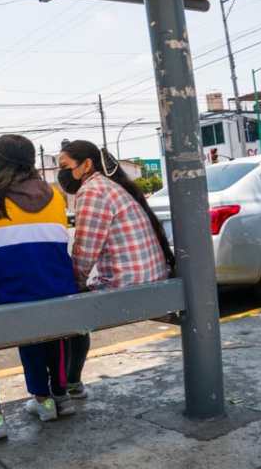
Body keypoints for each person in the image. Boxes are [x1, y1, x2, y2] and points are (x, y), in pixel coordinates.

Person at [0, 134, 78, 439]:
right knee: (32, 327)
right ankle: (44, 400)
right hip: (56, 296)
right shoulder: (55, 196)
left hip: (1, 300)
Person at [58, 140, 174, 397]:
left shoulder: (92, 191)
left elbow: (84, 252)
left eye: (64, 166)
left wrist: (72, 285)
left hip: (129, 287)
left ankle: (68, 385)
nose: (61, 174)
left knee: (65, 307)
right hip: (151, 281)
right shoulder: (111, 187)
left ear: (86, 164)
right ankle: (71, 383)